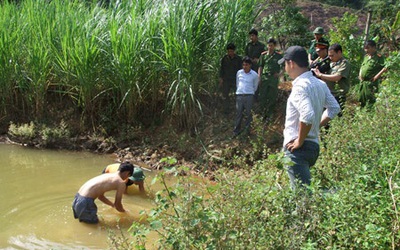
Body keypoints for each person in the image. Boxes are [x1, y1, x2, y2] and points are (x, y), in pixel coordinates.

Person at [278, 46, 340, 189]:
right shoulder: (320, 84)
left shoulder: (300, 87)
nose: (285, 68)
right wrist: (316, 126)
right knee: (303, 192)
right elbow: (334, 108)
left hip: (298, 149)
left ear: (291, 63)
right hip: (313, 147)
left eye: (285, 64)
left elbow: (307, 115)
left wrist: (299, 140)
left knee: (302, 197)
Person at [312, 43, 350, 111]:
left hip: (338, 96)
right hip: (328, 94)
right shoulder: (330, 63)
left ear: (339, 52)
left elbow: (337, 77)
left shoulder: (344, 63)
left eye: (332, 55)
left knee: (337, 117)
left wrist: (321, 75)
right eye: (329, 56)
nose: (330, 58)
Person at [233, 56, 259, 137]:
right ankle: (236, 131)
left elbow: (255, 86)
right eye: (243, 65)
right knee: (238, 114)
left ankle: (247, 131)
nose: (244, 66)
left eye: (246, 65)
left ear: (250, 65)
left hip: (249, 96)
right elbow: (237, 83)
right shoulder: (239, 73)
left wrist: (250, 92)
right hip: (240, 96)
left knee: (248, 114)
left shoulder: (254, 75)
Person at [258, 38, 282, 119]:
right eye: (269, 45)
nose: (270, 47)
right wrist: (259, 77)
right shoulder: (263, 55)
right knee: (262, 96)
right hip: (265, 77)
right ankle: (262, 114)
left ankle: (270, 114)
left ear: (274, 46)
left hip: (273, 78)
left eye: (271, 46)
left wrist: (279, 74)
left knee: (272, 96)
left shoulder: (278, 56)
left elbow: (284, 66)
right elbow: (260, 66)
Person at [357, 40, 387, 108]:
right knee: (361, 100)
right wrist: (360, 74)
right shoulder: (366, 57)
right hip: (363, 83)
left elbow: (385, 68)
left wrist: (376, 76)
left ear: (374, 47)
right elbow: (362, 66)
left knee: (370, 101)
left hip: (371, 83)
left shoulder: (379, 57)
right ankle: (362, 115)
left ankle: (369, 115)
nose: (366, 50)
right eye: (365, 48)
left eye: (368, 48)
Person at [219, 43, 243, 113]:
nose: (230, 53)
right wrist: (221, 78)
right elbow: (222, 69)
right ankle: (226, 110)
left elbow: (240, 69)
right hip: (226, 80)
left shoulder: (238, 59)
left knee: (237, 95)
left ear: (234, 51)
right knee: (225, 95)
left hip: (235, 80)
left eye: (231, 51)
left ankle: (238, 109)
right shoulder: (224, 59)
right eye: (229, 51)